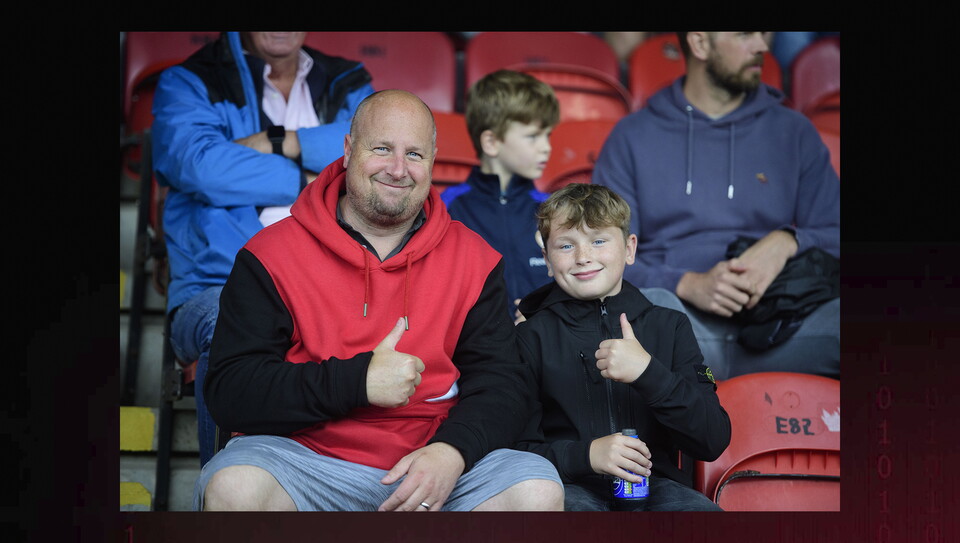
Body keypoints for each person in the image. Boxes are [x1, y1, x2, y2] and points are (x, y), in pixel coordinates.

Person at [193, 90, 564, 512]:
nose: (398, 169)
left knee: (536, 490)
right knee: (235, 486)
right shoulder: (271, 254)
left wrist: (452, 453)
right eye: (382, 149)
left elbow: (503, 385)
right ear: (349, 150)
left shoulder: (474, 258)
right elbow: (231, 391)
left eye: (415, 154)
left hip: (435, 462)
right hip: (306, 461)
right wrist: (357, 382)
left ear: (434, 161)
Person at [151, 31, 375, 466]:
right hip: (217, 284)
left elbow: (375, 154)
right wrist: (310, 184)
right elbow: (198, 163)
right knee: (232, 320)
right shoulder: (191, 80)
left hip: (337, 281)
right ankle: (227, 496)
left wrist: (282, 140)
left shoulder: (346, 79)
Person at [592, 31, 840, 381]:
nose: (762, 47)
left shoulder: (794, 131)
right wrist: (685, 283)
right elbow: (602, 256)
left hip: (784, 325)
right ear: (700, 43)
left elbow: (836, 233)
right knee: (647, 308)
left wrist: (787, 242)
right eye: (744, 35)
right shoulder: (632, 136)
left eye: (764, 34)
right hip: (681, 327)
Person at [513, 183, 730, 511]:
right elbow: (512, 449)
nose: (584, 257)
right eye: (565, 246)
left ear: (629, 249)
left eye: (598, 241)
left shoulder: (669, 326)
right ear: (546, 258)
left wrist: (649, 373)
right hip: (569, 485)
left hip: (658, 488)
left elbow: (711, 439)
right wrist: (588, 455)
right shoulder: (529, 337)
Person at [441, 69, 559, 322]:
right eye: (533, 136)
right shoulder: (447, 210)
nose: (547, 147)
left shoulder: (555, 211)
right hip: (476, 353)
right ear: (491, 142)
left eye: (547, 135)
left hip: (545, 351)